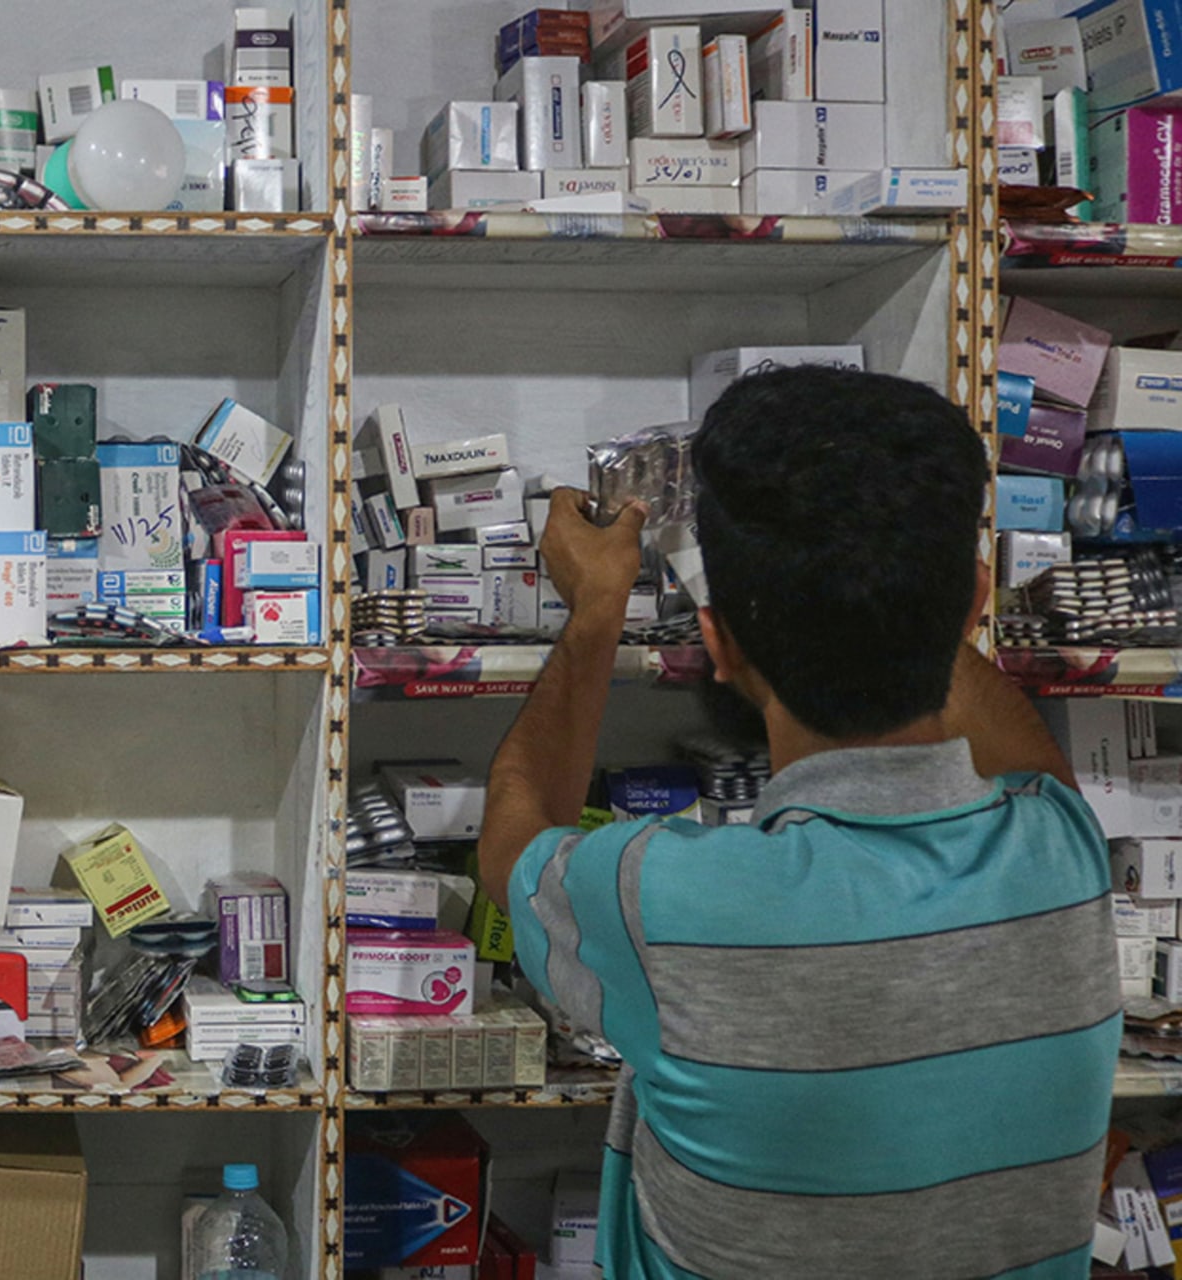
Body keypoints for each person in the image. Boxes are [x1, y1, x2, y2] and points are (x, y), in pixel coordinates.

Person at [477, 368, 1117, 1280]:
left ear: (721, 644)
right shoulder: (1063, 852)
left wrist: (596, 608)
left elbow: (514, 829)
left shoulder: (664, 894)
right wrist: (897, 575)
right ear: (976, 604)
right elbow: (1017, 746)